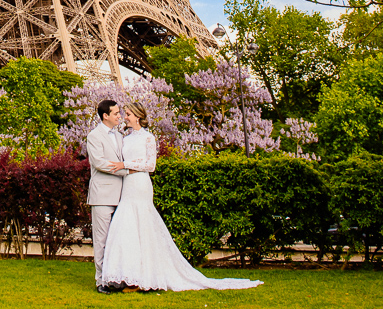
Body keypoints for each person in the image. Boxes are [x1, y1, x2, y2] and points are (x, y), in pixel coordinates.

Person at [100, 102, 263, 293]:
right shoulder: (125, 139)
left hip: (141, 185)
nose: (124, 117)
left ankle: (146, 276)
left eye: (127, 114)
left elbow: (150, 165)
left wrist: (125, 165)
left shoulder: (148, 138)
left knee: (143, 227)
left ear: (137, 116)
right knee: (127, 228)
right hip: (128, 186)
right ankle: (130, 275)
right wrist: (124, 166)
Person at [85, 99, 127, 293]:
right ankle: (101, 281)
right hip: (102, 195)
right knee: (101, 240)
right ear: (105, 116)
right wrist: (125, 170)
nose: (120, 116)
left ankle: (115, 277)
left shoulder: (119, 136)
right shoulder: (94, 136)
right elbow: (99, 163)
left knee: (116, 240)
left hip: (122, 194)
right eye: (117, 113)